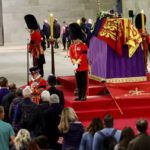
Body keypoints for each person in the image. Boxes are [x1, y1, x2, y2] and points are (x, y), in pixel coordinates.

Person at [69, 23, 89, 101]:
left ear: (79, 38)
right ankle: (80, 96)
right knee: (78, 83)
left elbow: (83, 55)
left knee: (84, 83)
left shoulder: (83, 46)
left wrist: (78, 62)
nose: (75, 41)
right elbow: (71, 55)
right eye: (74, 39)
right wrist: (74, 62)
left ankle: (84, 95)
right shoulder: (72, 47)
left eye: (76, 39)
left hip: (83, 66)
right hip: (76, 68)